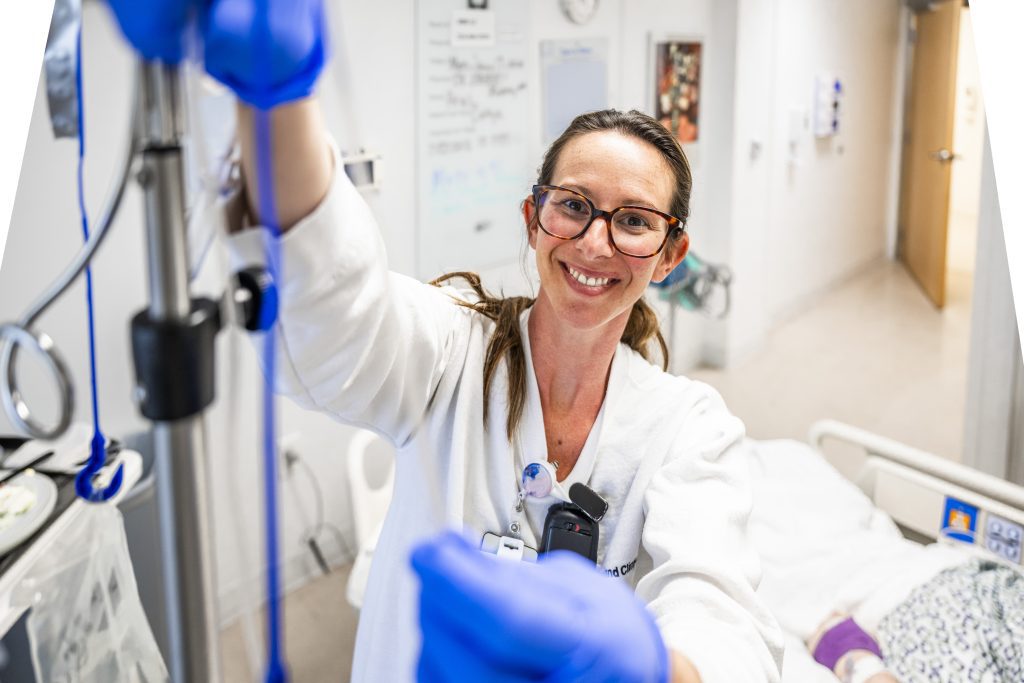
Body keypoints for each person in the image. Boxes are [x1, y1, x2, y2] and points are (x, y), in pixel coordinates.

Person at [107, 1, 785, 681]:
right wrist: (277, 99)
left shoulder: (692, 428)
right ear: (533, 218)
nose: (594, 240)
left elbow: (722, 619)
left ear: (670, 255)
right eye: (573, 205)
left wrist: (655, 672)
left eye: (633, 221)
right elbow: (335, 306)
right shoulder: (452, 346)